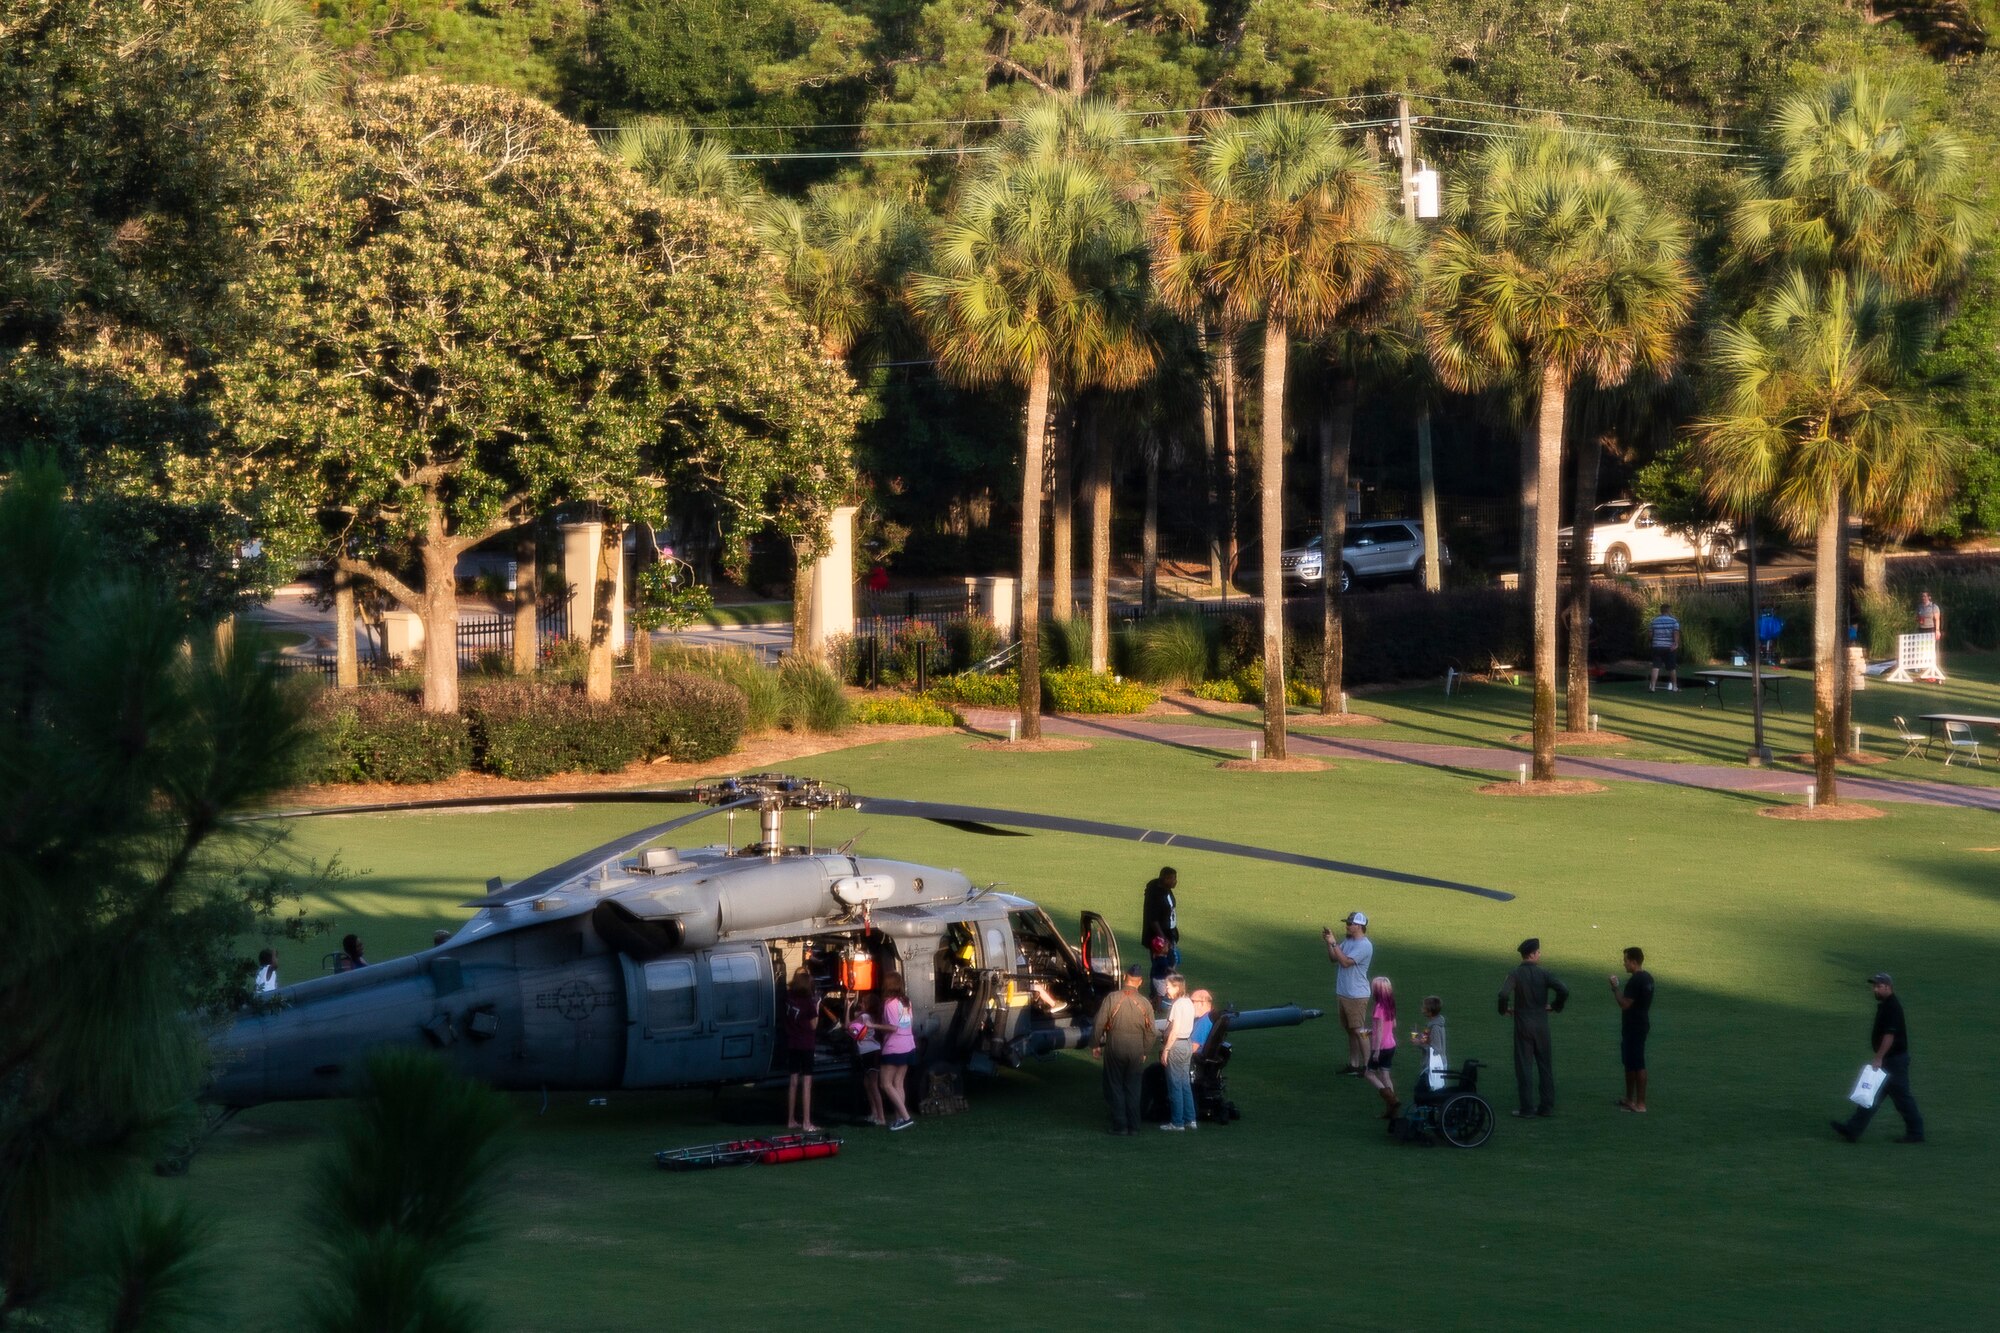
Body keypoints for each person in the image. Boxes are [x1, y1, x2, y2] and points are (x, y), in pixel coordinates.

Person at [1832, 973, 1924, 1144]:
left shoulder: (1892, 1007)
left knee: (1902, 1098)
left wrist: (1879, 1057)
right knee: (1872, 1095)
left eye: (1878, 986)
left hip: (1894, 1061)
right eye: (1874, 985)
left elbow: (1889, 1036)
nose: (1875, 989)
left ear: (1888, 987)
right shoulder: (1886, 1005)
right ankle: (1852, 1130)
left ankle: (1916, 1132)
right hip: (1892, 1060)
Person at [1499, 938, 1568, 1118]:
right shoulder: (1544, 973)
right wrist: (1554, 1006)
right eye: (1538, 952)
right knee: (1545, 1066)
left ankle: (1527, 1108)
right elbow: (1563, 990)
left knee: (1524, 1066)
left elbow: (1503, 993)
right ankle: (1546, 1107)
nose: (1539, 954)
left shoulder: (1515, 974)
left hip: (1522, 1025)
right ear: (1532, 954)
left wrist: (1504, 1009)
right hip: (1541, 1025)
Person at [1089, 963, 1158, 1136]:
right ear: (1140, 982)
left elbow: (1099, 1023)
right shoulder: (1145, 1003)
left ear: (1125, 978)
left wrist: (1095, 1044)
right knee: (1133, 1087)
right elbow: (1151, 1032)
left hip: (1115, 1044)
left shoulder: (1112, 998)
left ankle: (1120, 1125)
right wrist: (1144, 1051)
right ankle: (1134, 1126)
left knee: (1115, 1085)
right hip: (1136, 1048)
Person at [1322, 912, 1374, 1076]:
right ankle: (1354, 1065)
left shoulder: (1364, 945)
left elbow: (1345, 963)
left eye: (1350, 924)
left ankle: (1367, 1066)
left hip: (1357, 995)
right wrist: (1329, 943)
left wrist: (1334, 943)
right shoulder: (1349, 941)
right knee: (1350, 1030)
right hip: (1344, 992)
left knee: (1359, 1030)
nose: (1347, 926)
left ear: (1359, 926)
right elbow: (1334, 958)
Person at [1607, 947, 1654, 1113]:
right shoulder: (1648, 978)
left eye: (1626, 960)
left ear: (1634, 962)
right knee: (1631, 1063)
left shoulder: (1635, 981)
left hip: (1634, 1027)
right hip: (1640, 1023)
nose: (1624, 963)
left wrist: (1615, 988)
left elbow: (1625, 1004)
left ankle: (1640, 1104)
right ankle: (1629, 1099)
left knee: (1637, 1063)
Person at [870, 971, 917, 1131]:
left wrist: (873, 1026)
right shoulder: (906, 1001)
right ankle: (899, 1119)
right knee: (898, 1083)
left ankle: (905, 1117)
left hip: (894, 1047)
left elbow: (893, 1027)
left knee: (885, 1084)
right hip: (908, 1044)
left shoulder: (889, 1003)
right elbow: (907, 1023)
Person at [1158, 973, 1198, 1131]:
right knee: (1184, 1083)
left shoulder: (1177, 1005)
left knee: (1175, 1084)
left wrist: (1166, 1049)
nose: (1166, 988)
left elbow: (1174, 1030)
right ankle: (1190, 1119)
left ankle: (1177, 1122)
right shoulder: (1188, 1002)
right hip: (1187, 1043)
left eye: (1168, 986)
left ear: (1176, 987)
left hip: (1177, 1045)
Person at [782, 968, 820, 1133]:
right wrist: (817, 1006)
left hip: (792, 1043)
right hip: (806, 1044)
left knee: (793, 1082)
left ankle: (791, 1120)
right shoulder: (808, 1003)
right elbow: (814, 1025)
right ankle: (806, 1122)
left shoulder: (789, 998)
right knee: (807, 1083)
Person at [848, 991, 886, 1126]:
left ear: (868, 1005)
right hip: (871, 1051)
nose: (860, 1004)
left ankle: (880, 1117)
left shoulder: (864, 1016)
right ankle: (874, 1113)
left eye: (863, 1003)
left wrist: (847, 1008)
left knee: (873, 1085)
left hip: (869, 1052)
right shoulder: (872, 1016)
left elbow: (848, 1026)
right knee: (867, 1083)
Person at [1365, 976, 1400, 1119]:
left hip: (1381, 1047)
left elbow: (1379, 1030)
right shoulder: (1390, 1005)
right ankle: (1392, 1108)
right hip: (1391, 1045)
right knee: (1385, 1075)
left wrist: (1376, 1050)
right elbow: (1394, 1025)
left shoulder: (1379, 1007)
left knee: (1369, 1074)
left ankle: (1391, 1100)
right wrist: (1372, 1031)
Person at [1142, 867, 1180, 967]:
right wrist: (1163, 938)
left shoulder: (1166, 890)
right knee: (1163, 966)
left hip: (1169, 933)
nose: (1175, 881)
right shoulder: (1156, 896)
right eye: (1173, 878)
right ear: (1165, 879)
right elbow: (1153, 919)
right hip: (1160, 938)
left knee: (1171, 963)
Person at [1648, 604, 1681, 692]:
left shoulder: (1653, 621)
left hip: (1657, 646)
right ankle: (1674, 687)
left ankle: (1652, 687)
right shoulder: (1674, 621)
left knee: (1655, 666)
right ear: (1669, 610)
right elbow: (1676, 633)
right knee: (1671, 667)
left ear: (1661, 611)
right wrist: (1676, 643)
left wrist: (1652, 641)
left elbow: (1650, 635)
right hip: (1669, 647)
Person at [1916, 591, 1943, 669]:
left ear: (1929, 597)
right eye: (1922, 596)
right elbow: (1917, 617)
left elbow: (1937, 619)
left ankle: (1935, 665)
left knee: (1932, 648)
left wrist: (1937, 630)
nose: (1923, 598)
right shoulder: (1920, 607)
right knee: (1922, 647)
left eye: (1925, 596)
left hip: (1931, 629)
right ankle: (1923, 665)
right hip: (1921, 629)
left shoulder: (1934, 607)